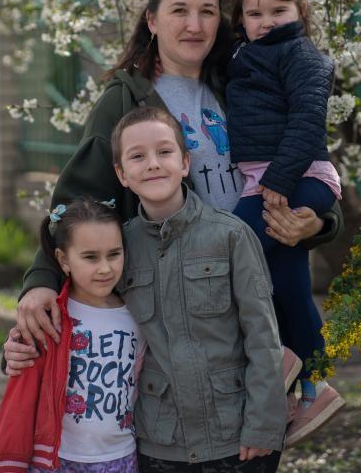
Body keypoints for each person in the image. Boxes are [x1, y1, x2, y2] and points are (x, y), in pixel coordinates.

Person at [5, 0, 344, 356]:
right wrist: (42, 279)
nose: (194, 25)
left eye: (207, 12)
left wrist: (319, 224)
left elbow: (303, 151)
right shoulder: (128, 100)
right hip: (185, 315)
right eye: (179, 11)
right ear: (152, 20)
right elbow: (79, 202)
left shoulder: (243, 82)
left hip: (258, 309)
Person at [111, 106, 285, 471]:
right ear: (122, 174)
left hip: (234, 434)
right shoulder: (119, 249)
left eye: (165, 151)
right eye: (138, 156)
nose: (153, 164)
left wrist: (264, 426)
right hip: (161, 441)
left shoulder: (230, 236)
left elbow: (262, 337)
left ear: (186, 162)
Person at [226, 0, 345, 445]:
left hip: (300, 176)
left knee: (231, 246)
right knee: (289, 280)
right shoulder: (242, 54)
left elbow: (305, 122)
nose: (266, 22)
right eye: (254, 14)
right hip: (271, 177)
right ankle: (310, 381)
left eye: (278, 11)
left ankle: (278, 362)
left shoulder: (302, 56)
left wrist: (276, 181)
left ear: (301, 12)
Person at [0, 197, 144, 473]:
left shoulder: (138, 316)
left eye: (114, 254)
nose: (105, 268)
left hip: (122, 458)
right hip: (55, 461)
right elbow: (20, 398)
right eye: (90, 257)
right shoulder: (48, 318)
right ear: (63, 260)